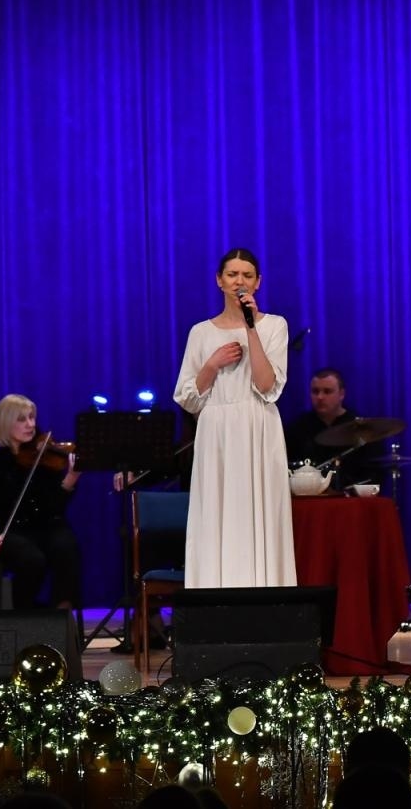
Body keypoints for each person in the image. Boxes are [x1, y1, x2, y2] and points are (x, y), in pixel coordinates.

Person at [174, 248, 295, 588]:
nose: (239, 281)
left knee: (259, 513)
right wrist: (211, 364)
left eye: (247, 275)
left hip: (257, 424)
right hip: (216, 428)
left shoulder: (274, 325)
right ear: (219, 280)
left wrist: (251, 329)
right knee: (216, 513)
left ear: (258, 282)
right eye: (232, 274)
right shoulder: (200, 332)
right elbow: (188, 398)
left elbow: (268, 386)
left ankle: (266, 595)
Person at [0, 394, 83, 609]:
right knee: (32, 559)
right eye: (22, 419)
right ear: (5, 423)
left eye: (32, 418)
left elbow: (54, 508)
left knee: (67, 548)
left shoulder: (47, 458)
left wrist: (69, 480)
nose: (31, 424)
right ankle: (25, 617)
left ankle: (61, 616)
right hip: (14, 532)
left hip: (49, 527)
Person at [284, 368, 385, 490]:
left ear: (341, 394)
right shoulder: (297, 428)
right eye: (315, 391)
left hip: (351, 501)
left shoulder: (361, 428)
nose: (320, 397)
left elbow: (374, 474)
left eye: (327, 391)